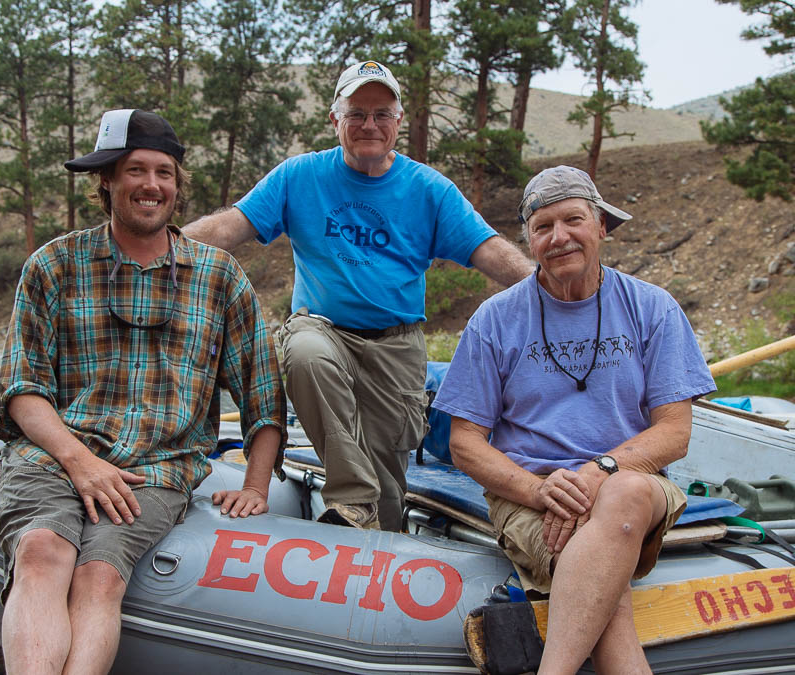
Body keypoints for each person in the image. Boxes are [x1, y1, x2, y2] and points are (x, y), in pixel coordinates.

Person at [0, 108, 286, 675]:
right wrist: (80, 462)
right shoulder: (53, 264)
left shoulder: (220, 278)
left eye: (164, 173)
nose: (152, 185)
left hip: (157, 469)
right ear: (107, 181)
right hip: (52, 456)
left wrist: (256, 485)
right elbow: (22, 390)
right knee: (43, 551)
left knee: (99, 576)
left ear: (176, 185)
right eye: (135, 171)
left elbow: (264, 399)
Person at [183, 60, 533, 532]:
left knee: (389, 491)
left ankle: (370, 535)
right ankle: (349, 500)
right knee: (305, 352)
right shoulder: (300, 176)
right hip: (322, 330)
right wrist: (164, 246)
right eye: (357, 113)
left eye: (381, 113)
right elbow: (232, 225)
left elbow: (488, 249)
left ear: (398, 122)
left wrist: (545, 284)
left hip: (396, 345)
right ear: (335, 120)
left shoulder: (429, 190)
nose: (369, 124)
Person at [432, 165, 716, 673]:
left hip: (633, 484)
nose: (559, 237)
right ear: (530, 241)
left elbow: (675, 432)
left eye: (573, 220)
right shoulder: (495, 320)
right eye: (542, 227)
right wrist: (538, 490)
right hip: (531, 496)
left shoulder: (653, 309)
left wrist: (600, 470)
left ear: (601, 226)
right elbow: (465, 443)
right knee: (605, 582)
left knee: (623, 493)